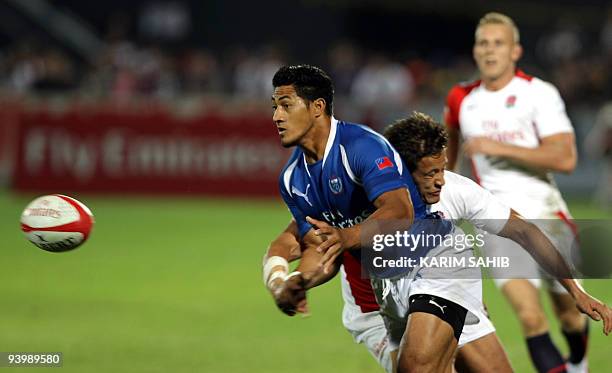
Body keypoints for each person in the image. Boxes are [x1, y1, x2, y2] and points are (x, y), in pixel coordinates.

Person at [265, 64, 490, 373]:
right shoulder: (293, 179)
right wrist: (299, 281)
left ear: (317, 107)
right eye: (275, 107)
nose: (277, 116)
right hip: (387, 285)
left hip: (434, 259)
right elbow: (321, 249)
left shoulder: (360, 146)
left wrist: (346, 237)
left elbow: (399, 211)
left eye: (286, 105)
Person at [444, 12, 589, 373]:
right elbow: (448, 164)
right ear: (475, 51)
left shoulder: (538, 93)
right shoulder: (461, 98)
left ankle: (579, 364)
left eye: (498, 43)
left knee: (571, 316)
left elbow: (566, 157)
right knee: (529, 317)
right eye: (483, 43)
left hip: (546, 213)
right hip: (497, 222)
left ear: (515, 51)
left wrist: (500, 147)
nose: (490, 50)